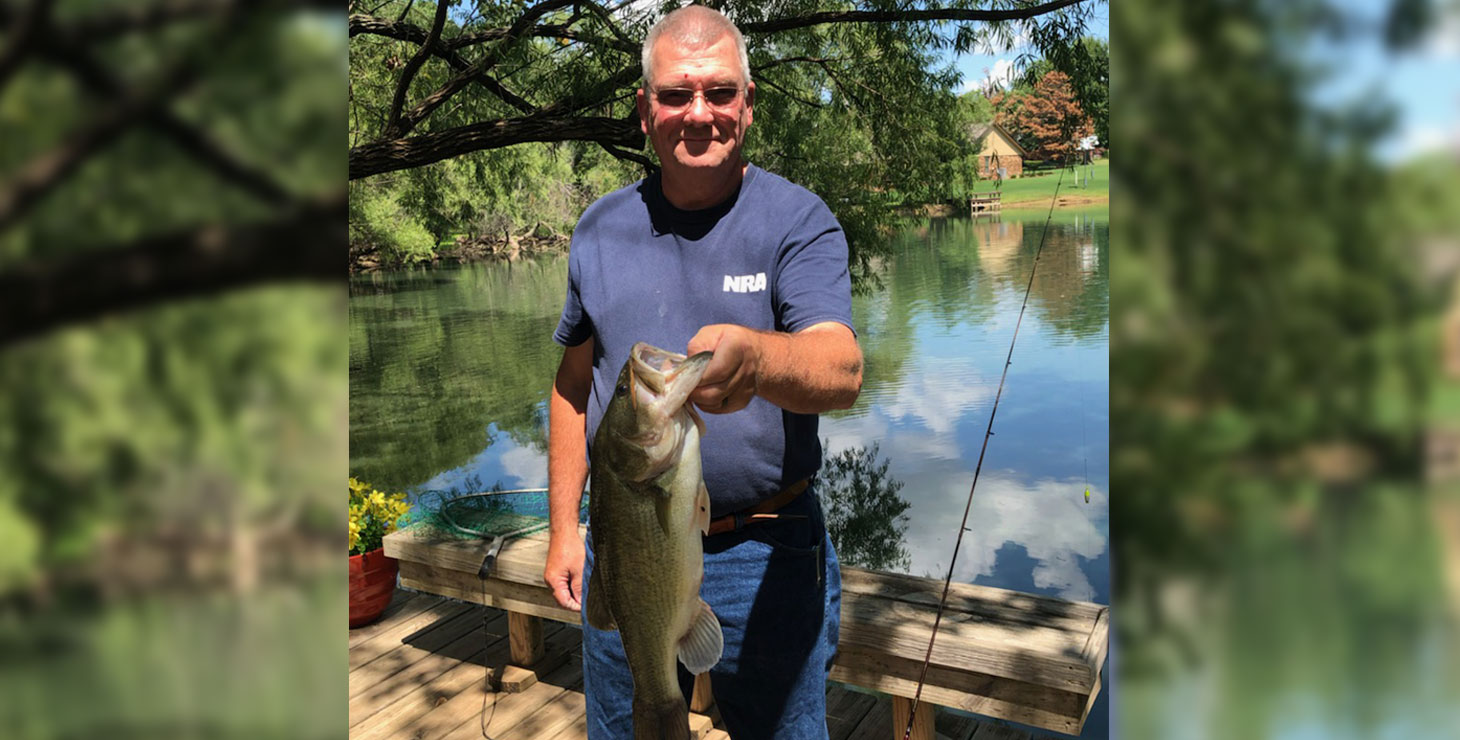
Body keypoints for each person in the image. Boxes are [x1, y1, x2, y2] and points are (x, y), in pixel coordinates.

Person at [544, 6, 863, 738]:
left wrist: (757, 357)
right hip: (626, 550)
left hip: (769, 548)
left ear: (748, 104)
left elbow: (841, 368)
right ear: (643, 110)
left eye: (720, 92)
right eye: (676, 94)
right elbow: (572, 385)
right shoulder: (598, 228)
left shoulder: (797, 219)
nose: (699, 113)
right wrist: (564, 527)